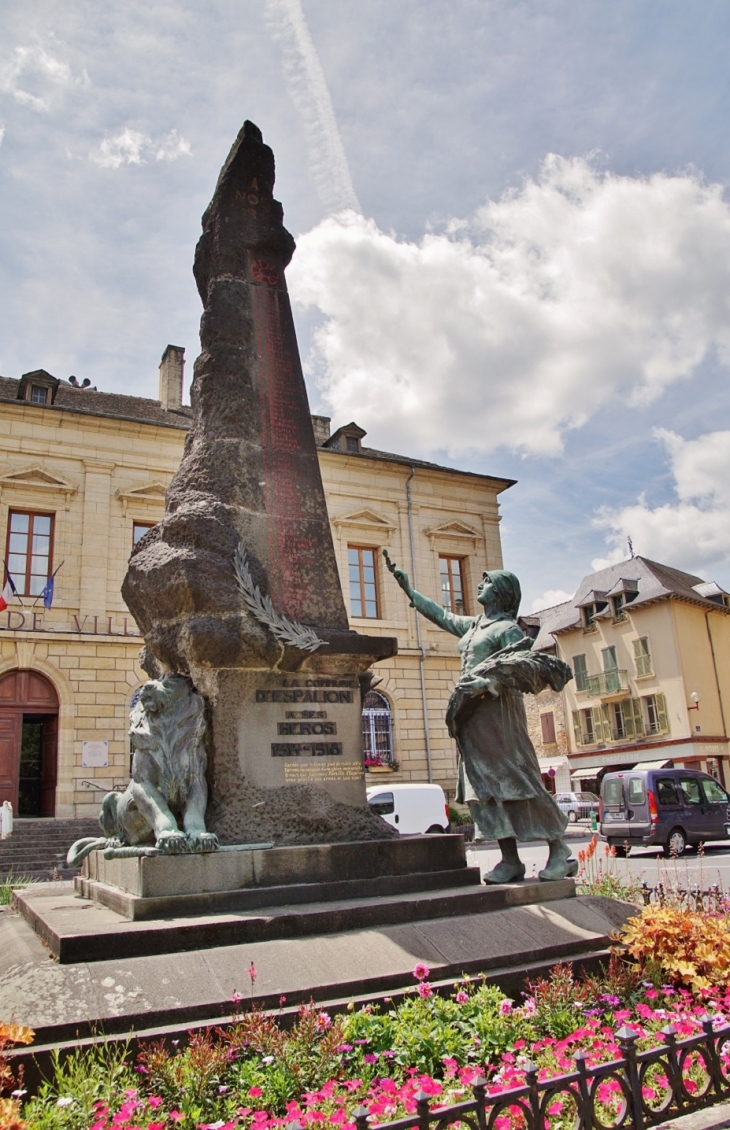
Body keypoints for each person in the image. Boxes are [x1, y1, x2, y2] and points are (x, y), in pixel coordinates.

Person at [383, 552, 576, 883]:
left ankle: (560, 851)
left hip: (499, 715)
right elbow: (442, 616)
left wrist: (490, 682)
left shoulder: (508, 630)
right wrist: (409, 592)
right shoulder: (474, 625)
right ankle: (510, 859)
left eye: (487, 581)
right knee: (484, 786)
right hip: (473, 716)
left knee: (517, 779)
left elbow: (523, 669)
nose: (480, 584)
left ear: (500, 592)